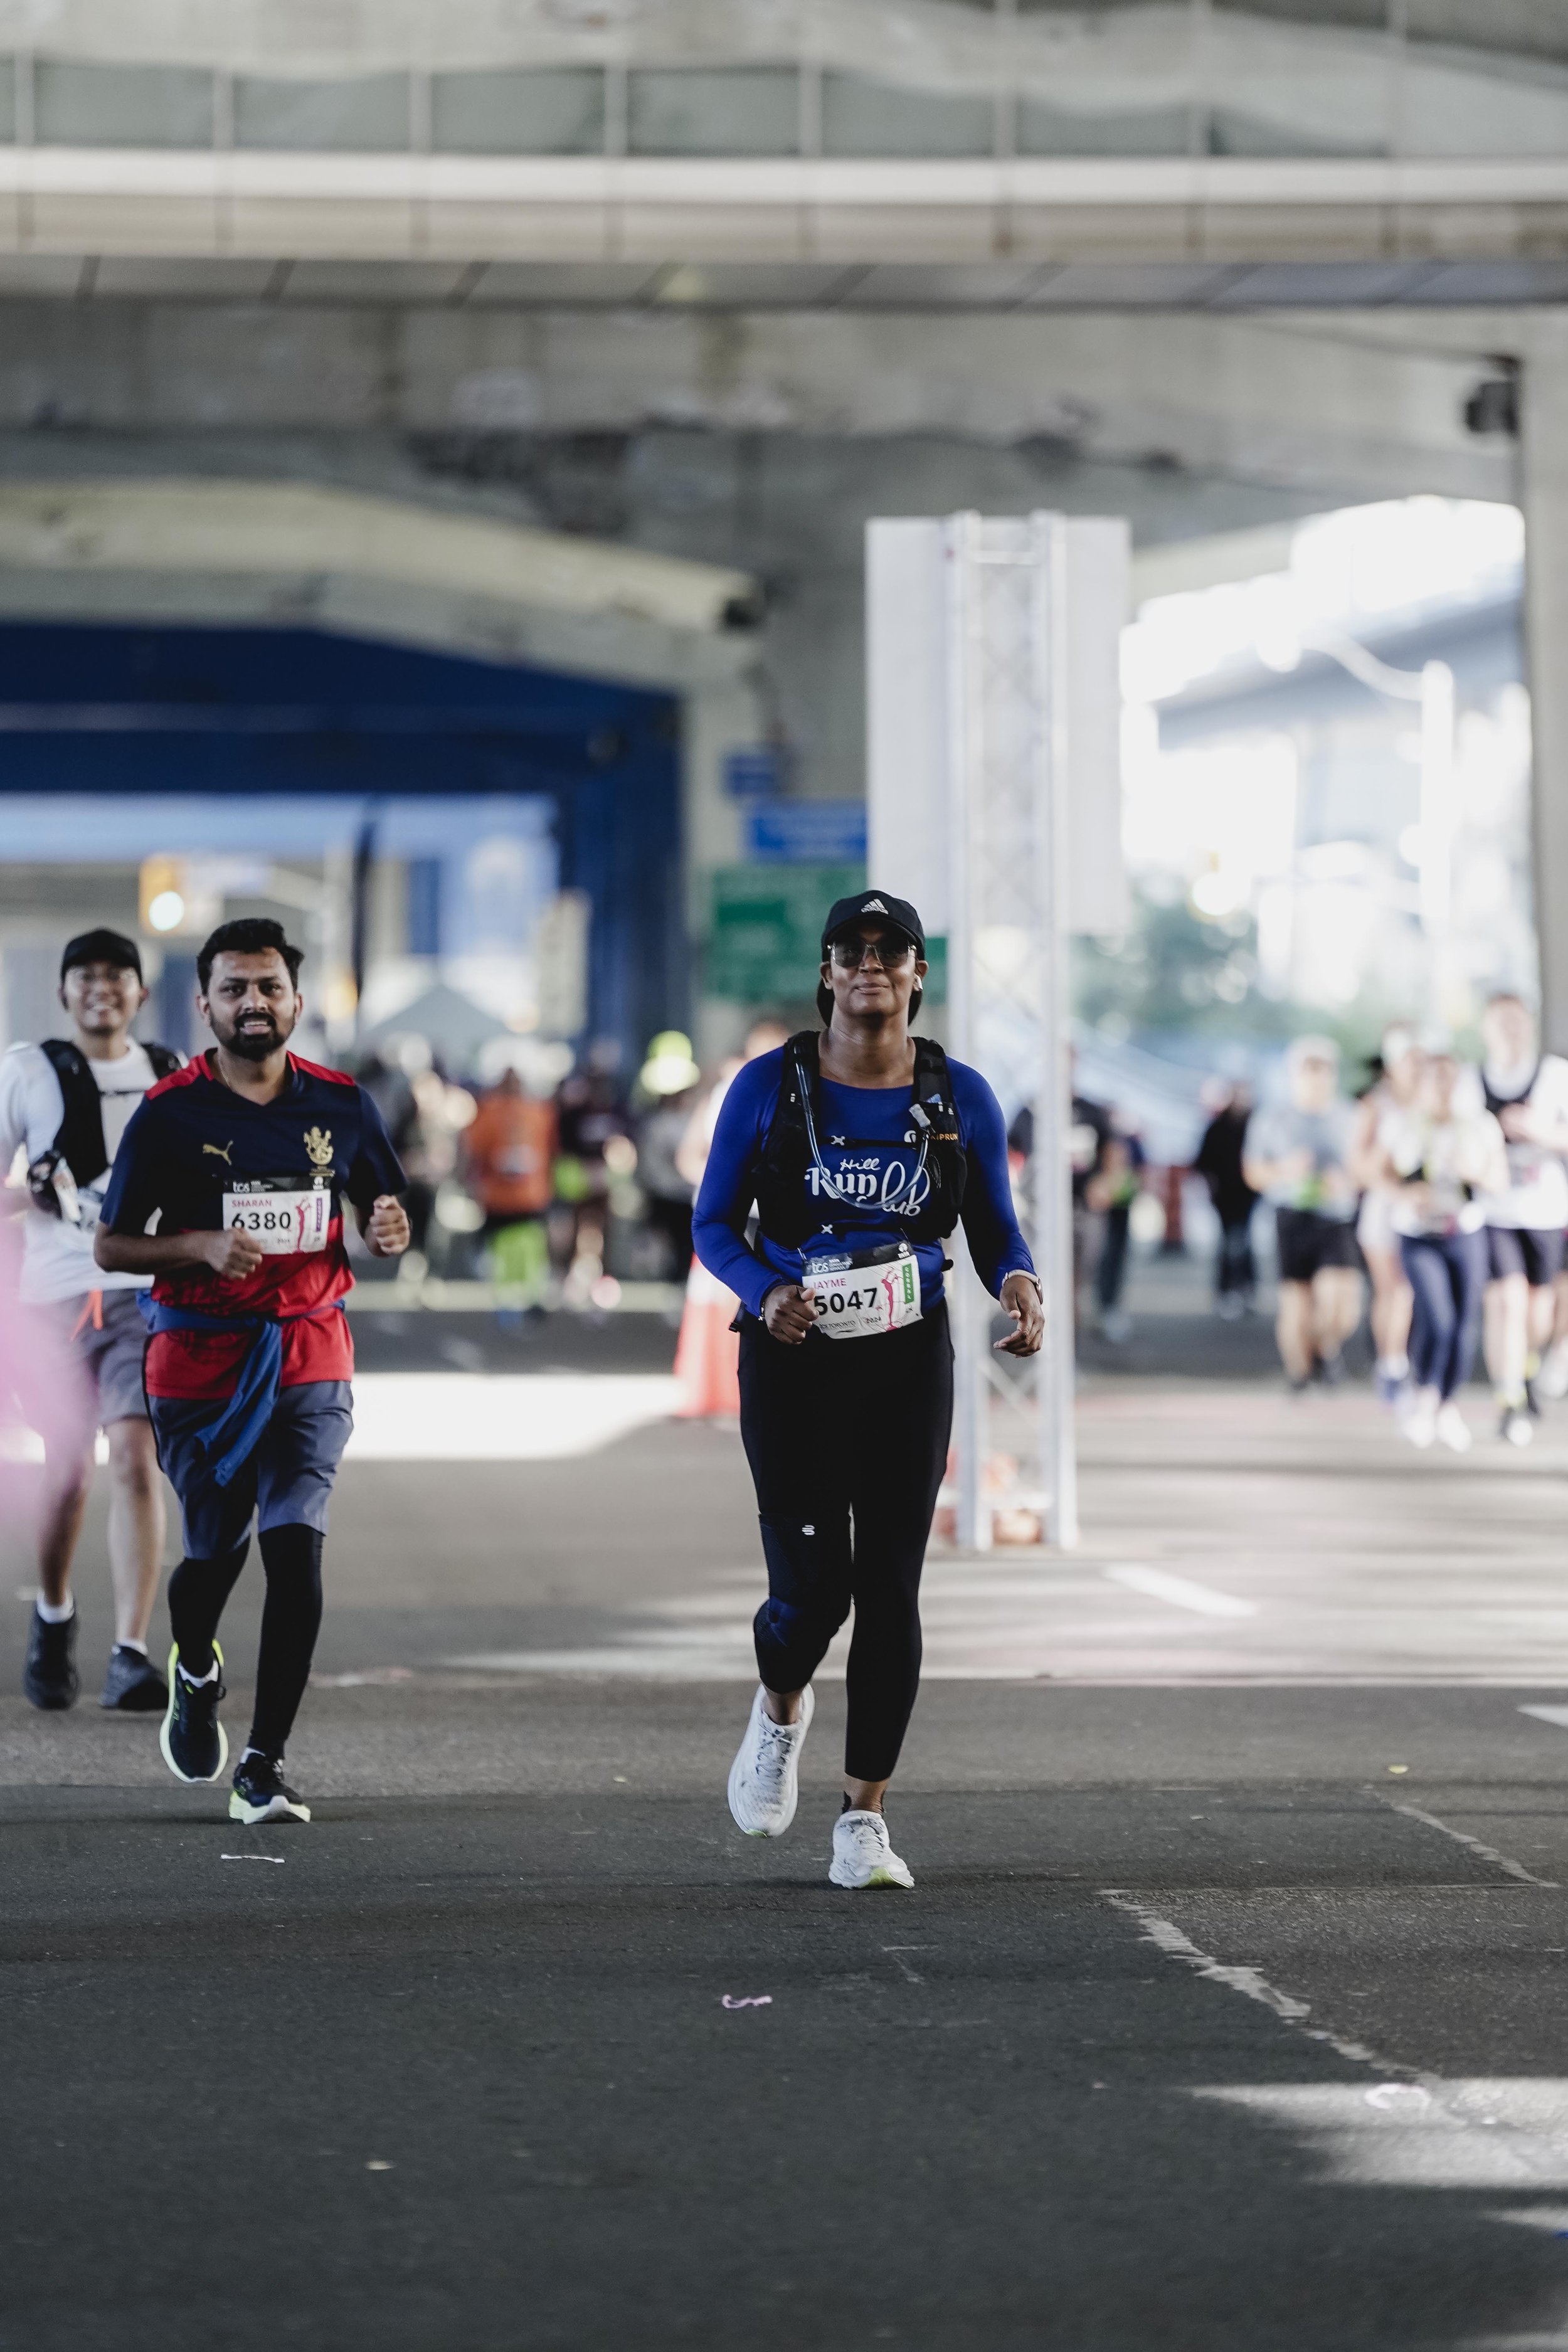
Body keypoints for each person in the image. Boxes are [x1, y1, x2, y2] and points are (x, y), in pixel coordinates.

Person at [692, 890, 1042, 1892]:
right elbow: (714, 1222)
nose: (872, 965)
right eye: (854, 949)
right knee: (812, 1597)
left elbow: (995, 1228)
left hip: (905, 1357)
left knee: (890, 1585)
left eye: (893, 951)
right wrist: (766, 1292)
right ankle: (778, 1708)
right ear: (828, 969)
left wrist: (1015, 1282)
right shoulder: (768, 1086)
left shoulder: (958, 1094)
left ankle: (864, 1816)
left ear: (919, 973)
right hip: (794, 1357)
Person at [95, 916, 409, 1826]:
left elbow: (384, 1208)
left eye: (269, 986)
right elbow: (112, 1242)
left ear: (297, 1001)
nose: (254, 1003)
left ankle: (263, 1765)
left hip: (310, 1349)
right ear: (205, 1006)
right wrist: (193, 1242)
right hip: (198, 1361)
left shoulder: (342, 1104)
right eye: (234, 989)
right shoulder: (170, 1112)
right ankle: (194, 1663)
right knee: (211, 1557)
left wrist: (389, 1230)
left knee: (296, 1548)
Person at [0, 928, 183, 1712]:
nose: (101, 988)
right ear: (65, 991)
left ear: (142, 993)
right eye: (86, 976)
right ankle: (53, 1612)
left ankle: (132, 1652)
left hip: (143, 1297)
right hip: (52, 1303)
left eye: (118, 976)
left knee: (135, 1456)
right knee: (66, 1468)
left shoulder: (174, 1076)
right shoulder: (27, 1071)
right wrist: (31, 1195)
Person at [1376, 1042, 1507, 1453]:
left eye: (1450, 1079)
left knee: (1465, 1323)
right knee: (1439, 1317)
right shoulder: (1404, 1125)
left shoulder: (1480, 1125)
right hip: (1418, 1236)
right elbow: (1378, 1175)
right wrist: (1403, 1194)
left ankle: (1446, 1404)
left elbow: (1498, 1178)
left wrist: (1478, 1173)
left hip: (1464, 1231)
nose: (1443, 1088)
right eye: (1435, 1079)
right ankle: (1425, 1395)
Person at [1243, 1036, 1364, 1391]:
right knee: (1297, 1302)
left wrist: (1346, 1181)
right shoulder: (1273, 1119)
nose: (1314, 1077)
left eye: (1321, 1069)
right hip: (1292, 1215)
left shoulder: (1349, 1116)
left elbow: (1367, 1168)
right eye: (1307, 1069)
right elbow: (1253, 1172)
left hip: (1337, 1217)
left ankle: (1326, 1348)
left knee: (1341, 1304)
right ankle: (1299, 1372)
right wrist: (1284, 1170)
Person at [1478, 992, 1568, 1446]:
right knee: (1507, 1305)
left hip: (1546, 1210)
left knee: (1537, 1313)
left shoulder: (1555, 1075)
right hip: (1494, 1213)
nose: (1510, 1029)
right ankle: (1508, 1399)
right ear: (1486, 1028)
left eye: (1517, 1020)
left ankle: (1527, 1367)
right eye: (1501, 1021)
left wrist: (1541, 1133)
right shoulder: (1471, 1081)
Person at [1348, 1026, 1425, 1403]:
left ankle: (1409, 1361)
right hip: (1385, 1209)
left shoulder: (1437, 1099)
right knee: (1395, 1290)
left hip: (1426, 1209)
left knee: (1417, 1292)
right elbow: (1358, 1165)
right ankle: (1392, 1364)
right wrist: (1393, 1186)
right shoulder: (1375, 1104)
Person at [462, 1062, 557, 1295]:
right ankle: (513, 1294)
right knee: (504, 1250)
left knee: (528, 1248)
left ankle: (526, 1292)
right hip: (503, 1196)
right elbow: (476, 1150)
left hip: (528, 1195)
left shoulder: (539, 1112)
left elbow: (551, 1150)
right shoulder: (493, 1111)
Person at [1194, 1081, 1259, 1320]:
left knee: (1243, 1241)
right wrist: (1212, 1187)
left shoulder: (1255, 1126)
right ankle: (1228, 1290)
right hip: (1225, 1196)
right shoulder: (1218, 1127)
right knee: (1230, 1242)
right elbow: (1202, 1162)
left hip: (1248, 1195)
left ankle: (1246, 1288)